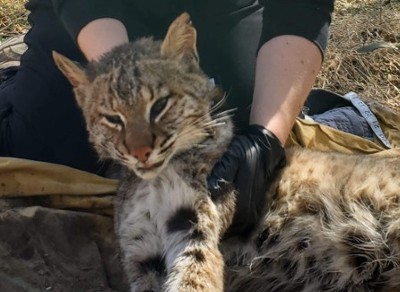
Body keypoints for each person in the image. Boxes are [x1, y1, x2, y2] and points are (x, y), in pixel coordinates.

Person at [0, 0, 335, 233]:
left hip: (216, 10)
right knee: (49, 145)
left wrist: (266, 135)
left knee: (238, 121)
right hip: (91, 16)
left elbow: (302, 6)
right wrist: (121, 91)